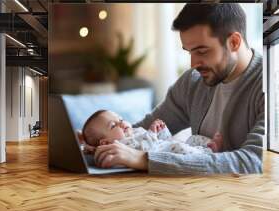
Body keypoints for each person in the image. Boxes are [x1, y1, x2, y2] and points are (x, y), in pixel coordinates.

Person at [94, 3, 264, 174]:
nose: (193, 64)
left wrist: (143, 159)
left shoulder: (267, 85)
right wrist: (99, 141)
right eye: (190, 52)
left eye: (202, 51)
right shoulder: (192, 81)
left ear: (234, 42)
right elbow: (142, 130)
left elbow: (253, 161)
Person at [82, 110, 224, 158]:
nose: (121, 123)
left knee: (192, 138)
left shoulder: (135, 132)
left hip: (168, 146)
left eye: (120, 119)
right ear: (105, 143)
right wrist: (151, 133)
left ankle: (209, 145)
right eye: (113, 125)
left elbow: (164, 140)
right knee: (183, 149)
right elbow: (144, 151)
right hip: (169, 154)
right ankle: (207, 153)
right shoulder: (123, 146)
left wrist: (161, 130)